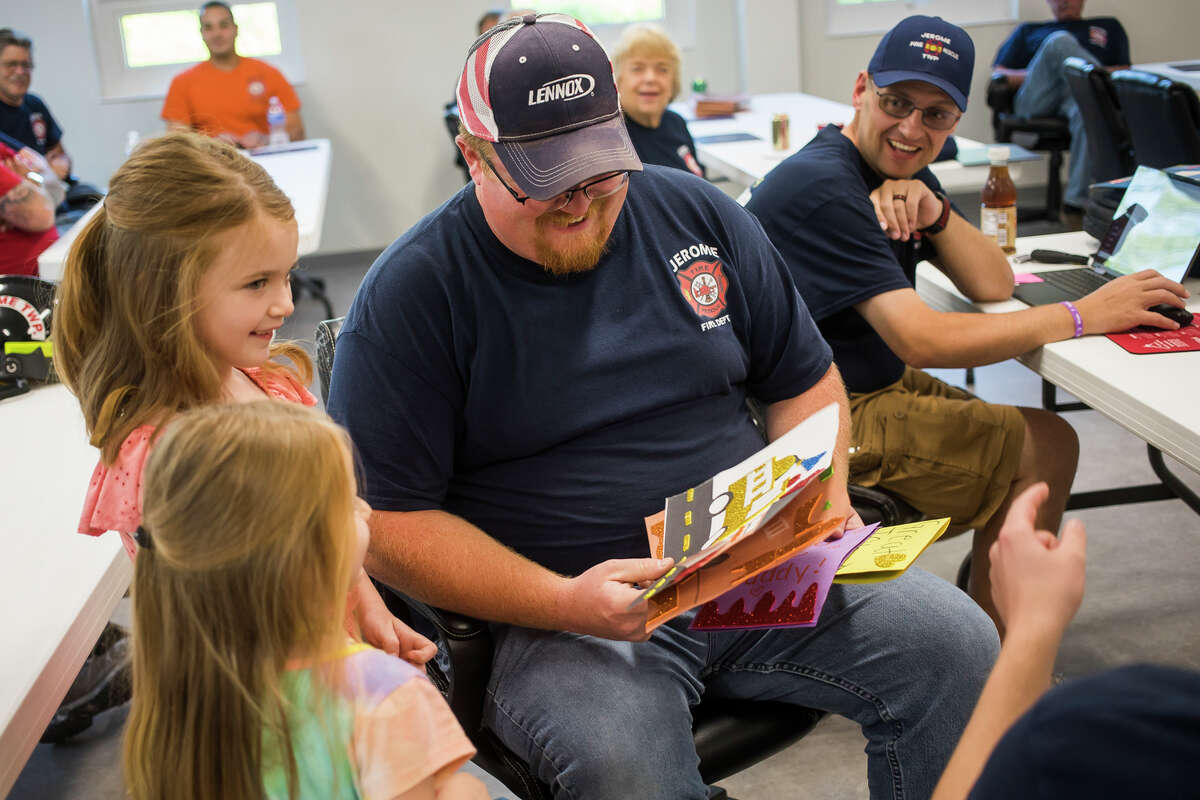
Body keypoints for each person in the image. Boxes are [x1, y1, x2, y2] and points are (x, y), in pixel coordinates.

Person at [329, 13, 999, 800]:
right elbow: (389, 525)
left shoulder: (694, 213)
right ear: (475, 155)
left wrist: (823, 496)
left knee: (959, 645)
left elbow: (801, 379)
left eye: (601, 172)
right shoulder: (414, 294)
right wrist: (561, 601)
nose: (581, 203)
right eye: (547, 181)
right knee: (625, 763)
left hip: (753, 564)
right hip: (564, 610)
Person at [745, 15, 1188, 628]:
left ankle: (990, 628)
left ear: (956, 122)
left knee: (1039, 438)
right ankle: (999, 659)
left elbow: (993, 282)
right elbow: (924, 339)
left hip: (865, 382)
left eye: (936, 115)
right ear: (860, 90)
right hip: (819, 421)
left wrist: (937, 213)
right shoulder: (826, 187)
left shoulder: (896, 167)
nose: (910, 128)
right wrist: (1082, 315)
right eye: (895, 102)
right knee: (1049, 445)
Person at [53, 131, 433, 663]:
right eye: (257, 283)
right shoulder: (164, 457)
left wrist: (368, 610)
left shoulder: (267, 384)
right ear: (163, 291)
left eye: (287, 276)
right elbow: (223, 633)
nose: (284, 304)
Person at [122, 401, 487, 800]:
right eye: (348, 504)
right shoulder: (387, 695)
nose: (365, 510)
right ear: (304, 554)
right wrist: (461, 786)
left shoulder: (183, 685)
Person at [992, 0, 1130, 209]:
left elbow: (1124, 71)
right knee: (1059, 42)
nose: (1064, 1)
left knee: (1086, 110)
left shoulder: (1108, 26)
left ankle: (1076, 202)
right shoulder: (1029, 31)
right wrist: (1049, 70)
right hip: (1036, 101)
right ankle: (1096, 86)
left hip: (1079, 100)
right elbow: (999, 74)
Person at [161, 2, 305, 148]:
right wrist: (210, 144)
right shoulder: (182, 82)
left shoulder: (269, 73)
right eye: (209, 27)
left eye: (223, 25)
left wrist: (267, 139)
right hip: (213, 165)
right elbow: (176, 142)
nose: (217, 34)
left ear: (235, 29)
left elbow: (297, 132)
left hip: (265, 158)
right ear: (202, 34)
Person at [612, 23, 705, 178]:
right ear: (618, 79)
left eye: (662, 69)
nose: (650, 78)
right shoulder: (612, 136)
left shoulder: (676, 123)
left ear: (673, 80)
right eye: (637, 68)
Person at [0, 28, 71, 181]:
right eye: (11, 64)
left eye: (26, 65)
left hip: (53, 191)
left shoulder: (35, 104)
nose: (20, 71)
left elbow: (60, 153)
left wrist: (61, 164)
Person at [0, 138, 57, 275]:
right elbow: (42, 214)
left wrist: (28, 179)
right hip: (18, 289)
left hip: (49, 266)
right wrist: (29, 179)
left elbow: (58, 191)